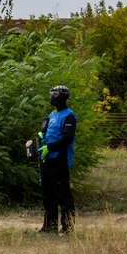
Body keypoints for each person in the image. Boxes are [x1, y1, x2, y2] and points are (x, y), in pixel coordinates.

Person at [38, 85, 77, 236]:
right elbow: (45, 130)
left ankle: (67, 229)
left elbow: (67, 138)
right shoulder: (51, 115)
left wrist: (50, 147)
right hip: (47, 159)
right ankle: (49, 226)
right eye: (51, 93)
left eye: (55, 94)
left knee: (63, 194)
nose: (52, 96)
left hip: (60, 159)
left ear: (63, 96)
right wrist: (42, 135)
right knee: (48, 194)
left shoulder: (69, 116)